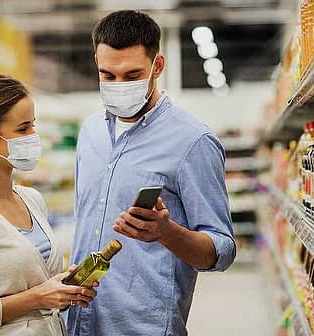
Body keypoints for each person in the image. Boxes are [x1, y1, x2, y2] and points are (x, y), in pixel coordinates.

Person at [68, 10, 236, 336]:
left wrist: (166, 232)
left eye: (132, 76)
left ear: (157, 66)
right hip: (79, 321)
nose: (119, 86)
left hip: (143, 327)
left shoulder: (193, 141)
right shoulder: (90, 132)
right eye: (108, 75)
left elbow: (223, 251)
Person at [0, 74, 97, 336]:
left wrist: (63, 289)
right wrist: (38, 297)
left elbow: (41, 288)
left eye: (33, 125)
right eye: (23, 129)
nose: (34, 136)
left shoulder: (31, 199)